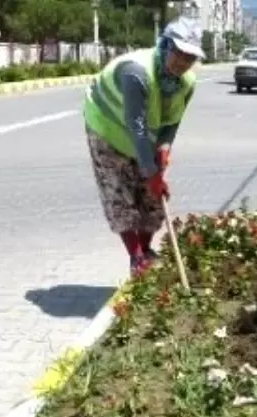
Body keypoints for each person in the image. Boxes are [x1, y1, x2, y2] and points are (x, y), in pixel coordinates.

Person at [82, 18, 205, 274]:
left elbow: (172, 122)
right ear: (166, 46)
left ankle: (147, 249)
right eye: (179, 53)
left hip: (143, 139)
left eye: (190, 57)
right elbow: (136, 126)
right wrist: (151, 173)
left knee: (153, 196)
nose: (183, 62)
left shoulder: (187, 83)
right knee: (120, 193)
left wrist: (164, 150)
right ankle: (136, 258)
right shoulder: (136, 72)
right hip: (107, 128)